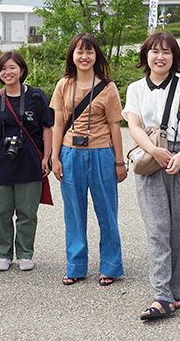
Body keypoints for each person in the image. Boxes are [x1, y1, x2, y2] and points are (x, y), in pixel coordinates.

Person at [124, 32, 180, 320]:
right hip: (149, 157)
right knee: (157, 229)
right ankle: (161, 295)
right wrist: (154, 152)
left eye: (167, 52)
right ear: (146, 56)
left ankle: (179, 292)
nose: (160, 57)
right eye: (154, 51)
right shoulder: (135, 89)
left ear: (175, 57)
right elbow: (133, 126)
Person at [50, 33, 126, 287]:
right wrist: (54, 157)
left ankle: (111, 266)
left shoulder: (108, 86)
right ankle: (76, 265)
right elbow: (58, 123)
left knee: (107, 211)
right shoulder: (63, 85)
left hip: (102, 152)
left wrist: (119, 161)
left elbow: (115, 126)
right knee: (73, 212)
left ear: (97, 56)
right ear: (72, 55)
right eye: (79, 52)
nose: (84, 57)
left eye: (90, 52)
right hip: (70, 153)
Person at [0, 51, 54, 272]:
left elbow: (47, 128)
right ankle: (3, 254)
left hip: (30, 161)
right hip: (0, 162)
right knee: (0, 211)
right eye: (3, 68)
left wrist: (46, 158)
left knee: (27, 212)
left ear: (22, 70)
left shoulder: (37, 97)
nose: (7, 72)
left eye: (12, 67)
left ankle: (25, 253)